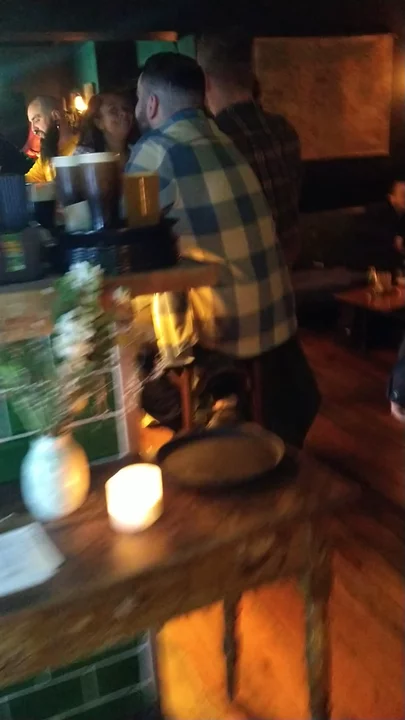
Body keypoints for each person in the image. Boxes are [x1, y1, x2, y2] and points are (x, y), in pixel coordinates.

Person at [127, 52, 320, 447]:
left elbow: (136, 244)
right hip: (277, 322)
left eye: (138, 99)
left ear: (152, 104)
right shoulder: (224, 141)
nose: (136, 109)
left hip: (229, 336)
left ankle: (207, 421)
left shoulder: (151, 151)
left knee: (133, 358)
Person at [197, 32, 302, 268]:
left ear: (205, 82)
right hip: (288, 265)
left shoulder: (210, 139)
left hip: (239, 272)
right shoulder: (283, 129)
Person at [74, 92, 138, 167]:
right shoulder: (84, 156)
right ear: (99, 123)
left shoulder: (141, 150)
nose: (124, 113)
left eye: (126, 108)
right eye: (113, 111)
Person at [25, 96, 78, 183]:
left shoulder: (83, 145)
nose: (34, 129)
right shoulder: (46, 155)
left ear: (55, 116)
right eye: (31, 123)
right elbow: (27, 182)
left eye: (37, 120)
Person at [357, 179, 405, 270]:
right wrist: (394, 239)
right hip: (370, 261)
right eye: (403, 195)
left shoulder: (402, 215)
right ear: (391, 198)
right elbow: (366, 235)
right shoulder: (377, 212)